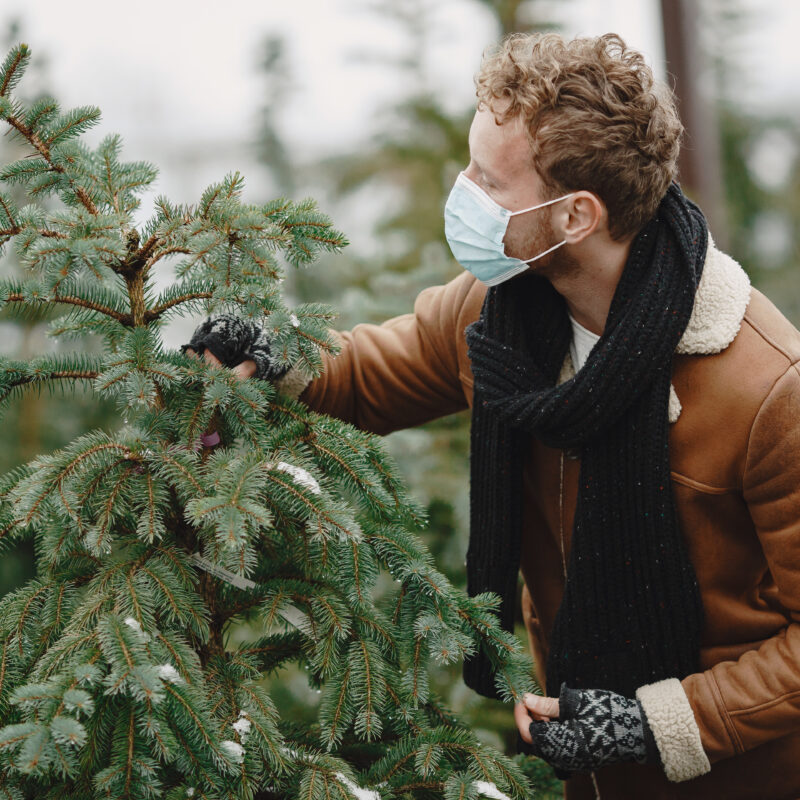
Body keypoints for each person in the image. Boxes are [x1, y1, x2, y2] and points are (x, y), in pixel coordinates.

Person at [182, 32, 800, 799]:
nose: (462, 190)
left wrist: (652, 722)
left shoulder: (770, 388)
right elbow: (378, 369)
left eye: (486, 178)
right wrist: (281, 353)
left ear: (576, 214)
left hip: (739, 775)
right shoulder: (504, 308)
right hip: (587, 767)